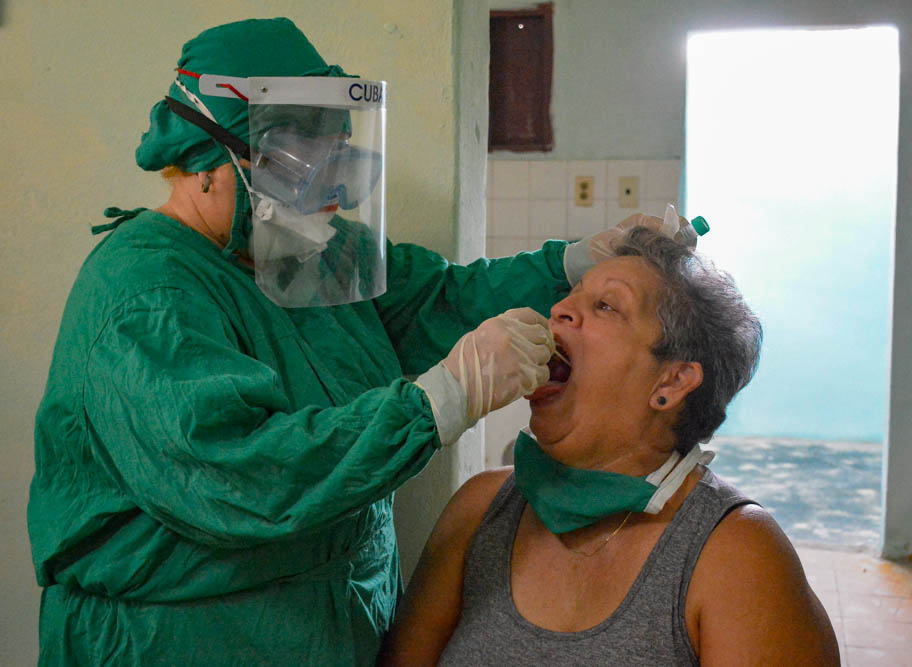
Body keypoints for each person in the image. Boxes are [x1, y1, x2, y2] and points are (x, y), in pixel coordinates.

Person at [26, 18, 661, 666]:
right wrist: (440, 399)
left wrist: (580, 264)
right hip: (177, 642)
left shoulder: (311, 250)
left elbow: (438, 301)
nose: (326, 192)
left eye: (332, 159)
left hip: (335, 631)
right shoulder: (144, 294)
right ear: (210, 163)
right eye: (296, 166)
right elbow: (239, 476)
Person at [379, 227, 841, 666]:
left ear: (673, 381)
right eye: (570, 295)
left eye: (605, 306)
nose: (559, 309)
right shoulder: (478, 510)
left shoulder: (740, 555)